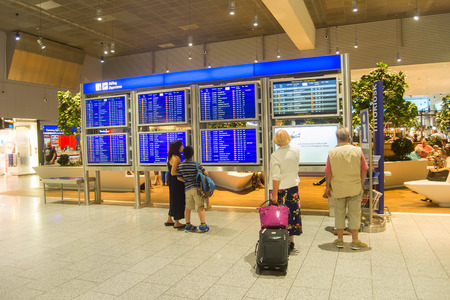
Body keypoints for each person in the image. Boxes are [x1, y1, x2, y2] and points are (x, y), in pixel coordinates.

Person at [325, 127, 368, 250]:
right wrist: (361, 183)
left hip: (338, 187)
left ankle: (339, 239)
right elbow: (364, 169)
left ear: (337, 138)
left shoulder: (332, 153)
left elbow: (328, 172)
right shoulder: (357, 151)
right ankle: (355, 241)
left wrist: (328, 186)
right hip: (354, 187)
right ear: (349, 137)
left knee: (339, 213)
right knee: (355, 213)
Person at [269, 129, 302, 252]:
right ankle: (291, 241)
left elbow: (276, 176)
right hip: (293, 188)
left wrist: (275, 195)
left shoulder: (275, 155)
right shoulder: (296, 151)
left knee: (279, 216)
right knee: (292, 214)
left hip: (281, 189)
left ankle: (281, 240)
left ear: (276, 141)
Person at [177, 146, 210, 233]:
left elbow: (178, 177)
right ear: (192, 154)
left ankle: (187, 225)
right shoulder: (195, 164)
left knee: (188, 207)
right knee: (200, 206)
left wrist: (186, 180)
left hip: (187, 189)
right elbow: (205, 172)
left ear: (183, 155)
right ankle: (203, 225)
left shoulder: (180, 165)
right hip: (196, 189)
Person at [165, 140, 185, 228]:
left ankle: (169, 219)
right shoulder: (176, 158)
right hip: (176, 181)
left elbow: (169, 170)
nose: (183, 146)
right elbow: (173, 172)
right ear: (178, 147)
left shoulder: (170, 156)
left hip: (171, 180)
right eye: (181, 145)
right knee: (177, 200)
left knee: (173, 199)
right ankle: (176, 222)